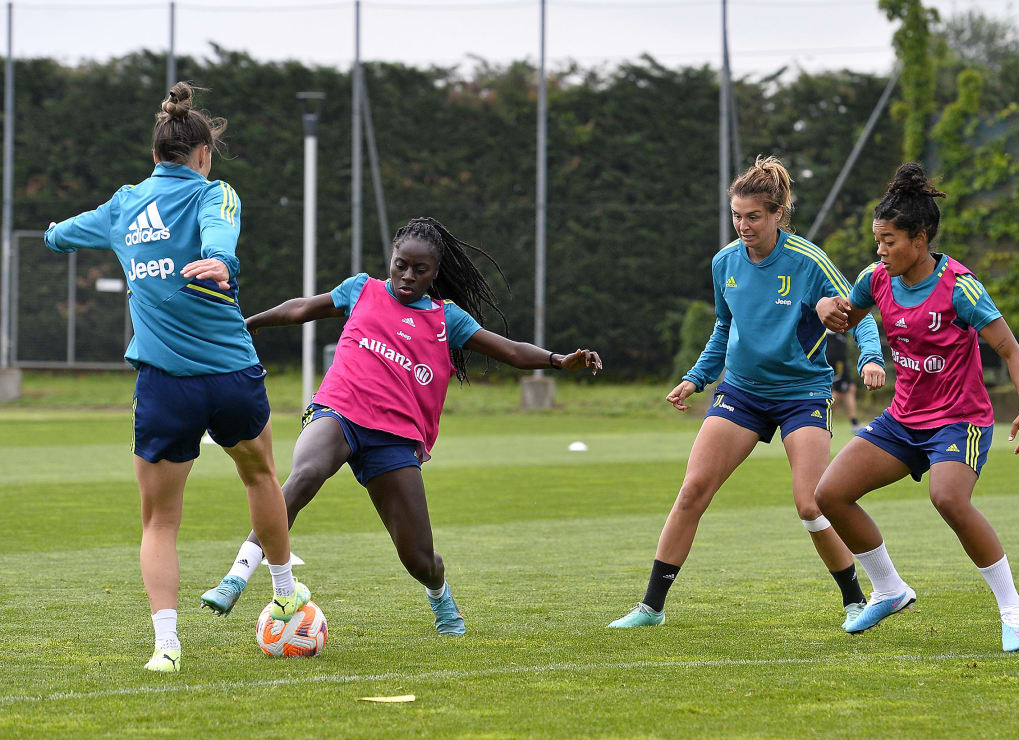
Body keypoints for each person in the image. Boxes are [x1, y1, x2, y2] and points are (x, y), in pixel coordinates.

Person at [201, 216, 603, 634]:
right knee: (304, 476)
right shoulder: (363, 289)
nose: (407, 276)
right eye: (400, 265)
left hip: (395, 439)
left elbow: (513, 352)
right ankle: (237, 575)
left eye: (419, 269)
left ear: (435, 272)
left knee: (419, 558)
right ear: (391, 260)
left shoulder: (449, 319)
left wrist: (558, 360)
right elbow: (301, 307)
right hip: (339, 412)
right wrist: (250, 323)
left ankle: (439, 594)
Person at [43, 82, 308, 673]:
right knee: (261, 475)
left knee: (160, 521)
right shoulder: (215, 193)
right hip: (233, 375)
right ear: (203, 154)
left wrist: (56, 231)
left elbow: (60, 235)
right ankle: (285, 589)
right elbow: (221, 231)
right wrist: (221, 261)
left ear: (155, 155)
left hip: (166, 385)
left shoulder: (122, 207)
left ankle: (167, 645)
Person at [608, 155, 885, 631]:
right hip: (741, 391)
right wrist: (696, 378)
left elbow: (857, 311)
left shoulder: (808, 260)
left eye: (753, 216)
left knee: (811, 502)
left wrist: (870, 359)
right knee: (693, 489)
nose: (743, 225)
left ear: (778, 214)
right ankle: (651, 607)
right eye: (736, 216)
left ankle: (857, 600)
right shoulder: (724, 263)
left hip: (802, 392)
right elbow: (724, 326)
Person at [813, 162, 1019, 653]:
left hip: (958, 420)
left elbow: (1011, 350)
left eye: (889, 240)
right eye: (877, 240)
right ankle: (890, 589)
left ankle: (1012, 606)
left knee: (948, 499)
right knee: (830, 493)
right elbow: (845, 318)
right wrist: (822, 308)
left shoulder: (959, 286)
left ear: (920, 239)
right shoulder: (876, 279)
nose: (880, 250)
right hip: (903, 419)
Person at [826, 330, 862, 432]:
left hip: (840, 359)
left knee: (850, 388)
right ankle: (819, 417)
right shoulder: (831, 319)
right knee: (840, 391)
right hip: (836, 360)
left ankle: (854, 423)